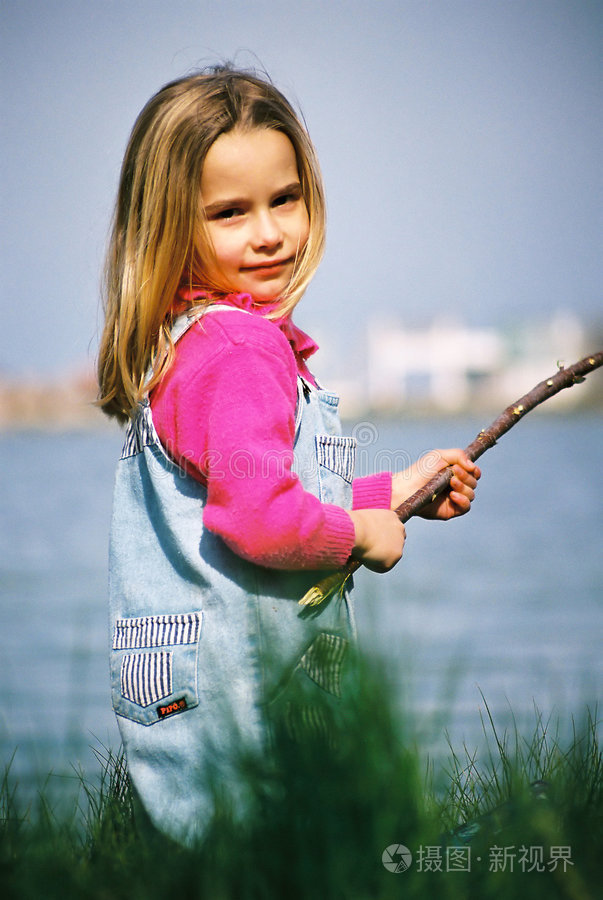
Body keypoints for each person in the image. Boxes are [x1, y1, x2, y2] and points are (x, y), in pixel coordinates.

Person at [97, 65, 480, 845]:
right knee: (280, 846)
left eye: (285, 199)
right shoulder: (240, 350)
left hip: (180, 672)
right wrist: (361, 536)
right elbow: (257, 519)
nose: (268, 232)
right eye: (229, 213)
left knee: (210, 847)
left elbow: (262, 485)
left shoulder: (191, 342)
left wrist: (385, 491)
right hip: (245, 681)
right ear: (169, 225)